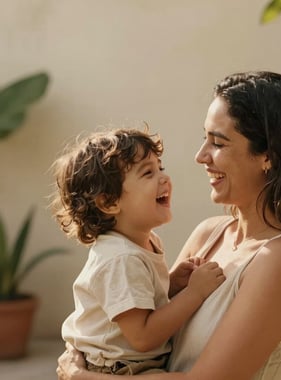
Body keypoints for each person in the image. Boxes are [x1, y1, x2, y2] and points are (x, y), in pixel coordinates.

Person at [56, 71, 281, 380]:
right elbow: (143, 322)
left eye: (218, 143)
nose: (201, 156)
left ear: (269, 157)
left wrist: (83, 377)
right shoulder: (209, 234)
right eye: (204, 139)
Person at [50, 128, 225, 375]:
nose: (164, 178)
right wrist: (195, 293)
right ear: (109, 202)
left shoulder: (143, 243)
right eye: (148, 173)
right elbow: (142, 336)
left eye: (160, 168)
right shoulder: (121, 259)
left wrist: (172, 284)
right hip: (114, 369)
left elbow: (140, 301)